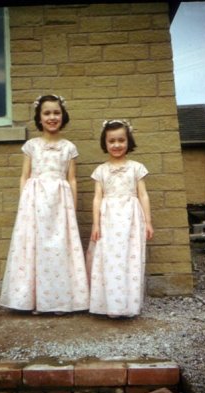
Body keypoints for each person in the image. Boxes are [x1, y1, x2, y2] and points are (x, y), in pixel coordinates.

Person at [0, 94, 89, 314]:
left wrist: (72, 208)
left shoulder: (69, 147)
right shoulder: (32, 146)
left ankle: (59, 301)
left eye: (56, 113)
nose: (52, 117)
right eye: (47, 113)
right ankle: (34, 300)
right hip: (35, 200)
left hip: (60, 203)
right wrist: (24, 203)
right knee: (34, 246)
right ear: (39, 118)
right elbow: (25, 176)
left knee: (58, 247)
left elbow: (72, 179)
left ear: (63, 116)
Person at [86, 119, 153, 318]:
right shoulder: (101, 171)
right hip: (108, 220)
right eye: (112, 141)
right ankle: (108, 305)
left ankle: (128, 305)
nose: (116, 145)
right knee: (108, 259)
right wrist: (96, 224)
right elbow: (97, 198)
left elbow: (143, 195)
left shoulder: (136, 168)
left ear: (128, 141)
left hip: (131, 219)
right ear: (105, 143)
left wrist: (148, 222)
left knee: (129, 259)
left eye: (121, 140)